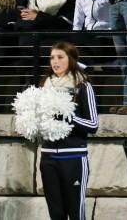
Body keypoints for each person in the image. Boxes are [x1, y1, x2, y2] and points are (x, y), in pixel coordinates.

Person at [39, 41, 99, 220]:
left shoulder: (83, 86)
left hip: (73, 157)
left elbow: (93, 124)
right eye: (52, 57)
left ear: (71, 59)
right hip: (48, 157)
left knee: (76, 213)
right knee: (56, 213)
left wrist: (68, 117)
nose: (54, 62)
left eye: (60, 57)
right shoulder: (44, 85)